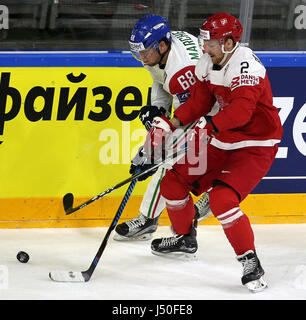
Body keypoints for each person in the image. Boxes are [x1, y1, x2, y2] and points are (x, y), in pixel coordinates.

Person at [142, 13, 283, 292]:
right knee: (172, 181)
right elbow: (199, 102)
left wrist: (209, 125)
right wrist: (170, 123)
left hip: (255, 144)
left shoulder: (245, 65)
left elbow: (242, 112)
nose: (204, 47)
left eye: (210, 42)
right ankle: (184, 238)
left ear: (230, 42)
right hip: (223, 137)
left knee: (222, 199)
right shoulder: (208, 61)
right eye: (204, 41)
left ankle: (250, 261)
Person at [114, 14, 215, 241]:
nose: (140, 57)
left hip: (213, 114)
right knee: (168, 157)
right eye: (136, 51)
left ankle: (149, 219)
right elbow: (161, 79)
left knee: (168, 161)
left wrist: (151, 151)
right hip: (197, 106)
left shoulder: (183, 70)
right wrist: (157, 111)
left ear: (161, 45)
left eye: (144, 51)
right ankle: (210, 191)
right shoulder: (160, 51)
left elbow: (188, 116)